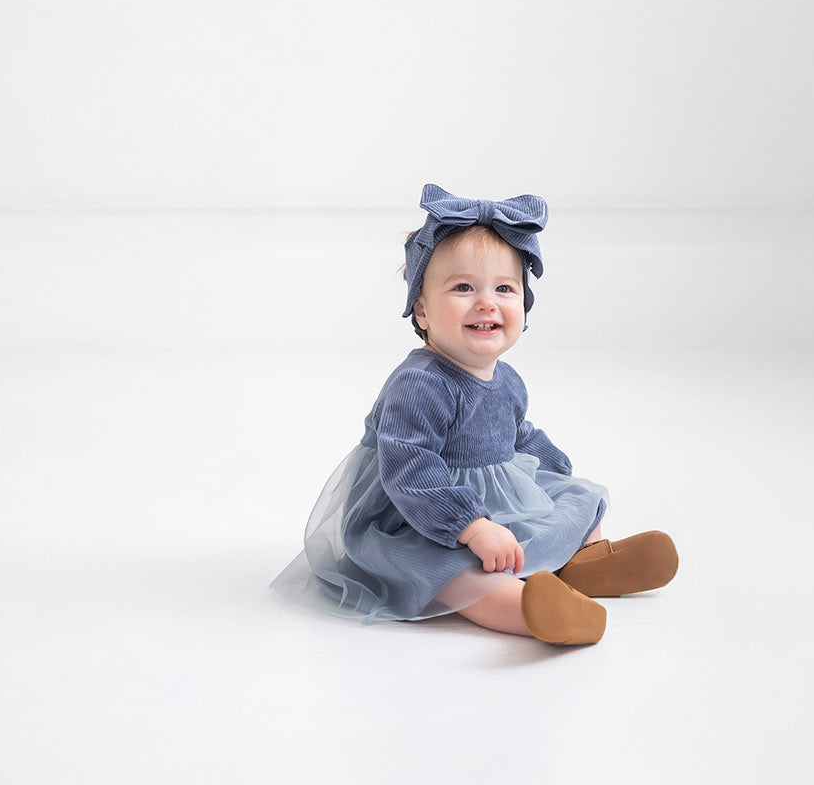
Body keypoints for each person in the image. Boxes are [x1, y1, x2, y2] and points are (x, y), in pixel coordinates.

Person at [269, 184, 678, 645]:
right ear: (422, 311)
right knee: (455, 571)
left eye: (504, 288)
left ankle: (585, 564)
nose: (486, 302)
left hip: (493, 496)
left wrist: (553, 469)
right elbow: (410, 469)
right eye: (463, 288)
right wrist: (471, 526)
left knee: (577, 498)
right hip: (420, 514)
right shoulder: (420, 384)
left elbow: (517, 434)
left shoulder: (507, 378)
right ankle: (529, 610)